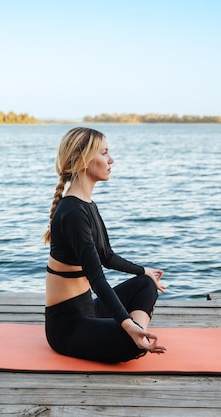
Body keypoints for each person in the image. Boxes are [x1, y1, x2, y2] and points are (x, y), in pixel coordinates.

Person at [43, 126, 166, 363]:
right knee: (131, 344)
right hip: (67, 327)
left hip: (89, 310)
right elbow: (97, 279)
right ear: (84, 160)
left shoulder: (86, 204)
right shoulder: (72, 212)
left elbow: (107, 256)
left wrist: (143, 271)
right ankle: (134, 334)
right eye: (104, 153)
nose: (111, 159)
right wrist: (127, 324)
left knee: (146, 283)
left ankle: (136, 332)